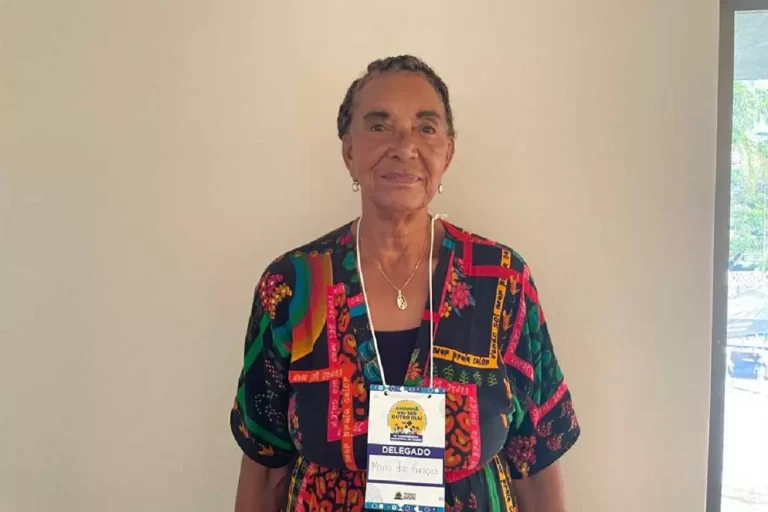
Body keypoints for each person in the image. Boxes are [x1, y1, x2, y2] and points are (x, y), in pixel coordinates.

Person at [230, 55, 580, 512]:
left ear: (447, 152)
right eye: (379, 126)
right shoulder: (293, 285)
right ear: (349, 151)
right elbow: (264, 465)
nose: (404, 146)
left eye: (425, 128)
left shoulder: (501, 280)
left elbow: (536, 457)